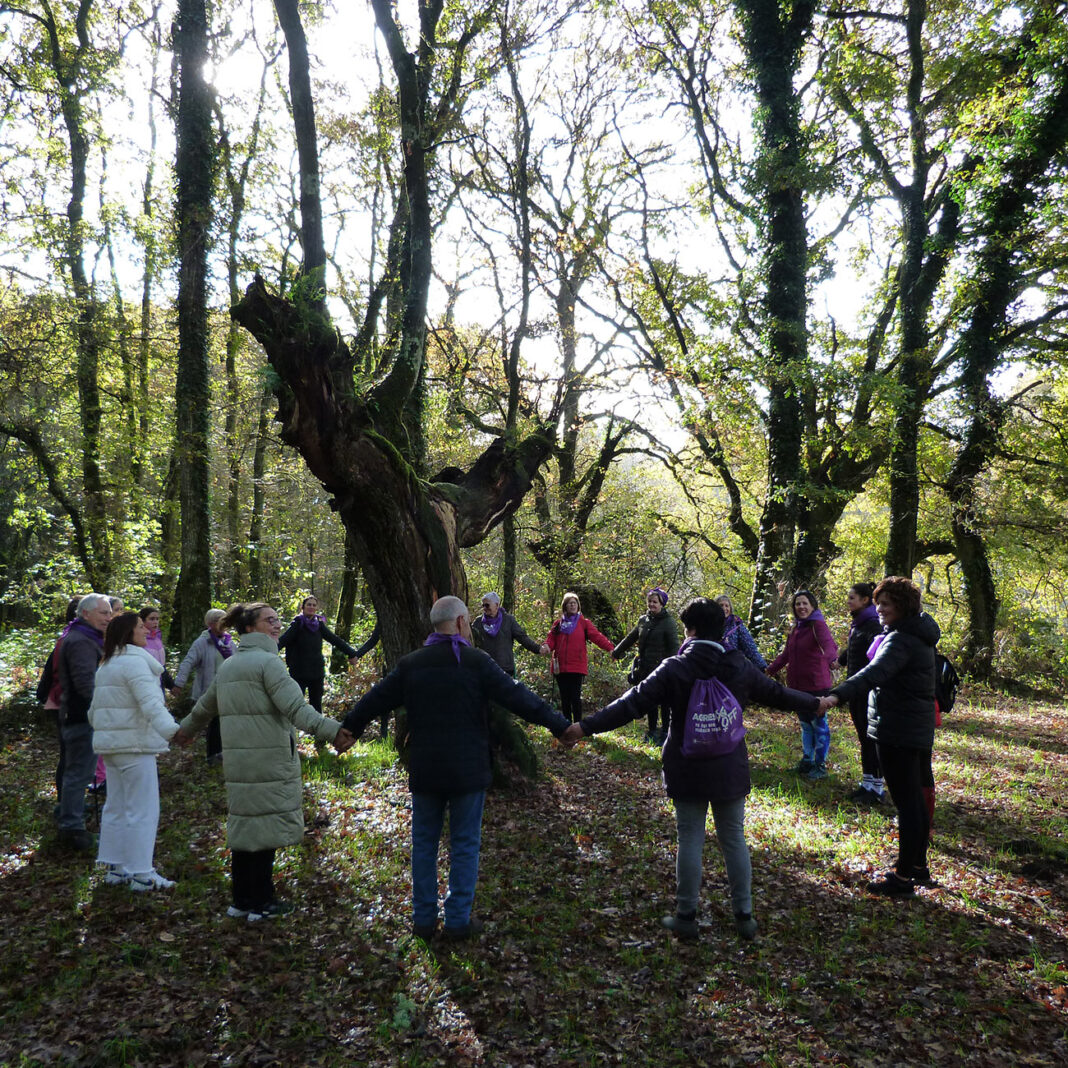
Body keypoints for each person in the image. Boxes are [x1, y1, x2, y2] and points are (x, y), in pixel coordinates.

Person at [563, 598, 819, 942]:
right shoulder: (739, 665)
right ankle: (744, 916)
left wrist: (584, 727)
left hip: (686, 766)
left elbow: (631, 704)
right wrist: (815, 703)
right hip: (729, 766)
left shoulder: (675, 668)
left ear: (692, 630)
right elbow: (778, 694)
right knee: (734, 837)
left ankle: (686, 916)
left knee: (690, 838)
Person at [340, 596, 572, 941]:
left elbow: (375, 698)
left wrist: (350, 727)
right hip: (467, 769)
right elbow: (519, 697)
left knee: (424, 843)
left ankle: (423, 920)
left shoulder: (412, 664)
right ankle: (457, 921)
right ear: (462, 622)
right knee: (464, 844)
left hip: (426, 768)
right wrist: (560, 726)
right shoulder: (477, 662)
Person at [175, 603, 354, 922]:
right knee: (264, 830)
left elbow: (203, 708)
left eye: (277, 620)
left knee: (246, 826)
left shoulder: (230, 665)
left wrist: (184, 731)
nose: (277, 625)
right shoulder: (269, 664)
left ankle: (241, 900)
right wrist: (333, 732)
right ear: (249, 628)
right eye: (269, 620)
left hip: (239, 764)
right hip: (268, 761)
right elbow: (297, 709)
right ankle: (262, 902)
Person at [821, 577, 940, 897]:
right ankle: (916, 867)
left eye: (885, 604)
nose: (879, 610)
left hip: (898, 729)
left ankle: (902, 878)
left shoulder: (901, 639)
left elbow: (874, 673)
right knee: (914, 800)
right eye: (877, 603)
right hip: (912, 727)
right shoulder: (916, 633)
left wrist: (836, 695)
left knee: (908, 803)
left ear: (902, 605)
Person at [88, 612, 179, 890]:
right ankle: (141, 874)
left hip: (112, 748)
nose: (146, 630)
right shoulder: (136, 663)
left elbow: (93, 712)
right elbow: (151, 704)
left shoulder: (107, 664)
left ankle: (116, 869)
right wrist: (174, 732)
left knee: (116, 806)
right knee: (143, 809)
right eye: (140, 627)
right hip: (135, 747)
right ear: (129, 633)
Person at [56, 593, 112, 850]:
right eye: (103, 613)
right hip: (82, 716)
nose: (108, 618)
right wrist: (106, 708)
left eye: (109, 613)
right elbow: (85, 683)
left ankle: (71, 822)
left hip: (83, 715)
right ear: (86, 613)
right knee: (79, 774)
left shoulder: (86, 637)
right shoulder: (81, 641)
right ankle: (71, 828)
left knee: (80, 772)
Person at [766, 589, 838, 780]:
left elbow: (829, 645)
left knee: (819, 726)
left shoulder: (818, 625)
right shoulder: (796, 628)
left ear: (813, 606)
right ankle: (807, 761)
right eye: (798, 604)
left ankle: (820, 766)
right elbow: (786, 655)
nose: (801, 607)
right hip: (797, 687)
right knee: (806, 725)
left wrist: (834, 661)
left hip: (817, 685)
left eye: (805, 603)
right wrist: (769, 670)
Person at [838, 582, 885, 804]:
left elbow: (877, 654)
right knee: (863, 738)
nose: (848, 601)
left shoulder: (872, 624)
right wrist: (840, 660)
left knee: (871, 739)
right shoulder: (859, 623)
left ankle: (877, 788)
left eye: (852, 598)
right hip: (855, 690)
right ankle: (867, 784)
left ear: (865, 600)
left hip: (867, 690)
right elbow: (855, 648)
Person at [612, 587, 679, 744]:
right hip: (645, 668)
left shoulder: (668, 622)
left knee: (665, 703)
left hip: (663, 668)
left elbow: (674, 647)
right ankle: (652, 731)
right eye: (650, 601)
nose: (651, 604)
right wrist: (617, 652)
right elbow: (631, 637)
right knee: (650, 701)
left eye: (655, 602)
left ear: (662, 604)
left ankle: (665, 733)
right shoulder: (643, 620)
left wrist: (674, 667)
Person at [38, 596, 83, 812]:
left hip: (62, 703)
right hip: (66, 704)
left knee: (70, 756)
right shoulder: (72, 640)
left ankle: (68, 804)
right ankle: (66, 807)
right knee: (70, 757)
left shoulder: (67, 638)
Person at [277, 595, 358, 713]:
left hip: (316, 672)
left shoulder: (319, 625)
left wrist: (351, 653)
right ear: (303, 607)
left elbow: (334, 639)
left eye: (314, 605)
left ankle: (317, 725)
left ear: (316, 608)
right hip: (299, 672)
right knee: (295, 705)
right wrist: (266, 652)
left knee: (316, 707)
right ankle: (293, 725)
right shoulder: (297, 624)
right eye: (309, 604)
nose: (311, 607)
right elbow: (283, 641)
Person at [543, 592, 615, 724]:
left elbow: (597, 637)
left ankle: (578, 725)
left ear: (578, 605)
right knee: (565, 698)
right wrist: (546, 646)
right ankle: (566, 726)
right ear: (565, 606)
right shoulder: (558, 624)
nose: (572, 605)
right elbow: (551, 640)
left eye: (574, 603)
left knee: (575, 698)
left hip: (577, 666)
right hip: (560, 667)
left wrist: (610, 648)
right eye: (569, 603)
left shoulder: (584, 623)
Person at [173, 608, 232, 765]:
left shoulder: (229, 642)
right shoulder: (202, 642)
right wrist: (179, 683)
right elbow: (188, 662)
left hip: (227, 690)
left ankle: (222, 753)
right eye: (220, 621)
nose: (224, 624)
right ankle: (212, 755)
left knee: (222, 722)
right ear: (210, 624)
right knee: (213, 722)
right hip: (208, 690)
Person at [470, 592, 545, 675]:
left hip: (505, 668)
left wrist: (538, 649)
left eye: (487, 605)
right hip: (485, 668)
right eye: (483, 605)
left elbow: (522, 638)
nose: (484, 608)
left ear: (497, 605)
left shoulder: (508, 620)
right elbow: (470, 640)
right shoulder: (478, 622)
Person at [716, 595, 767, 670]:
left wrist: (763, 667)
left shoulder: (737, 625)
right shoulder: (709, 624)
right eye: (721, 605)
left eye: (727, 606)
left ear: (730, 609)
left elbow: (750, 648)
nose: (724, 608)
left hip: (732, 667)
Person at [139, 607, 176, 691]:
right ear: (143, 621)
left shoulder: (158, 638)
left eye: (157, 619)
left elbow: (162, 666)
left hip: (160, 682)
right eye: (152, 619)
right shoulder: (139, 640)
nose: (155, 622)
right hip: (147, 683)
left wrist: (171, 685)